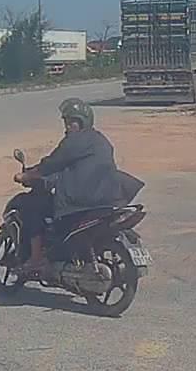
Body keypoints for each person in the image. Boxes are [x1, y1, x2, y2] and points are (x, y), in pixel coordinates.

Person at [11, 97, 144, 275]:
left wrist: (26, 175)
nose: (68, 126)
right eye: (66, 122)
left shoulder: (75, 141)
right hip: (108, 201)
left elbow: (52, 164)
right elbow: (71, 168)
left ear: (82, 122)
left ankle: (35, 259)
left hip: (80, 203)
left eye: (72, 122)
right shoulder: (101, 140)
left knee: (31, 205)